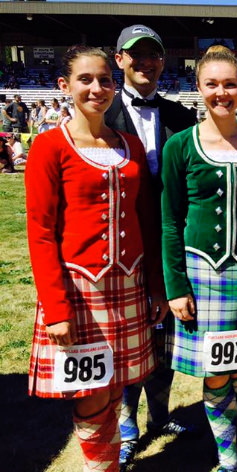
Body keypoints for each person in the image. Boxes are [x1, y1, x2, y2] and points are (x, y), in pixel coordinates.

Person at [25, 45, 166, 471]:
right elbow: (40, 232)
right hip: (78, 288)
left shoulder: (130, 146)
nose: (97, 88)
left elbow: (147, 221)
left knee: (117, 383)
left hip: (127, 283)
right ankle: (100, 467)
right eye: (86, 79)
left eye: (105, 79)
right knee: (92, 390)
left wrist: (155, 286)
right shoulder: (50, 147)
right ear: (64, 86)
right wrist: (56, 309)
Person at [162, 45, 237, 472]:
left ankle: (229, 441)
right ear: (198, 89)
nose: (221, 92)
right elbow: (170, 221)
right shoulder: (181, 146)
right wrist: (175, 286)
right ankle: (228, 456)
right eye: (212, 84)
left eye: (230, 84)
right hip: (202, 274)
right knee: (215, 368)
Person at [104, 24, 197, 469]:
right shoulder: (101, 116)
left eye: (153, 55)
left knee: (167, 335)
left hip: (171, 242)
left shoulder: (181, 116)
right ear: (118, 59)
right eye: (135, 55)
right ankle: (127, 428)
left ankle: (160, 415)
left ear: (163, 61)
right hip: (123, 244)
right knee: (128, 339)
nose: (145, 62)